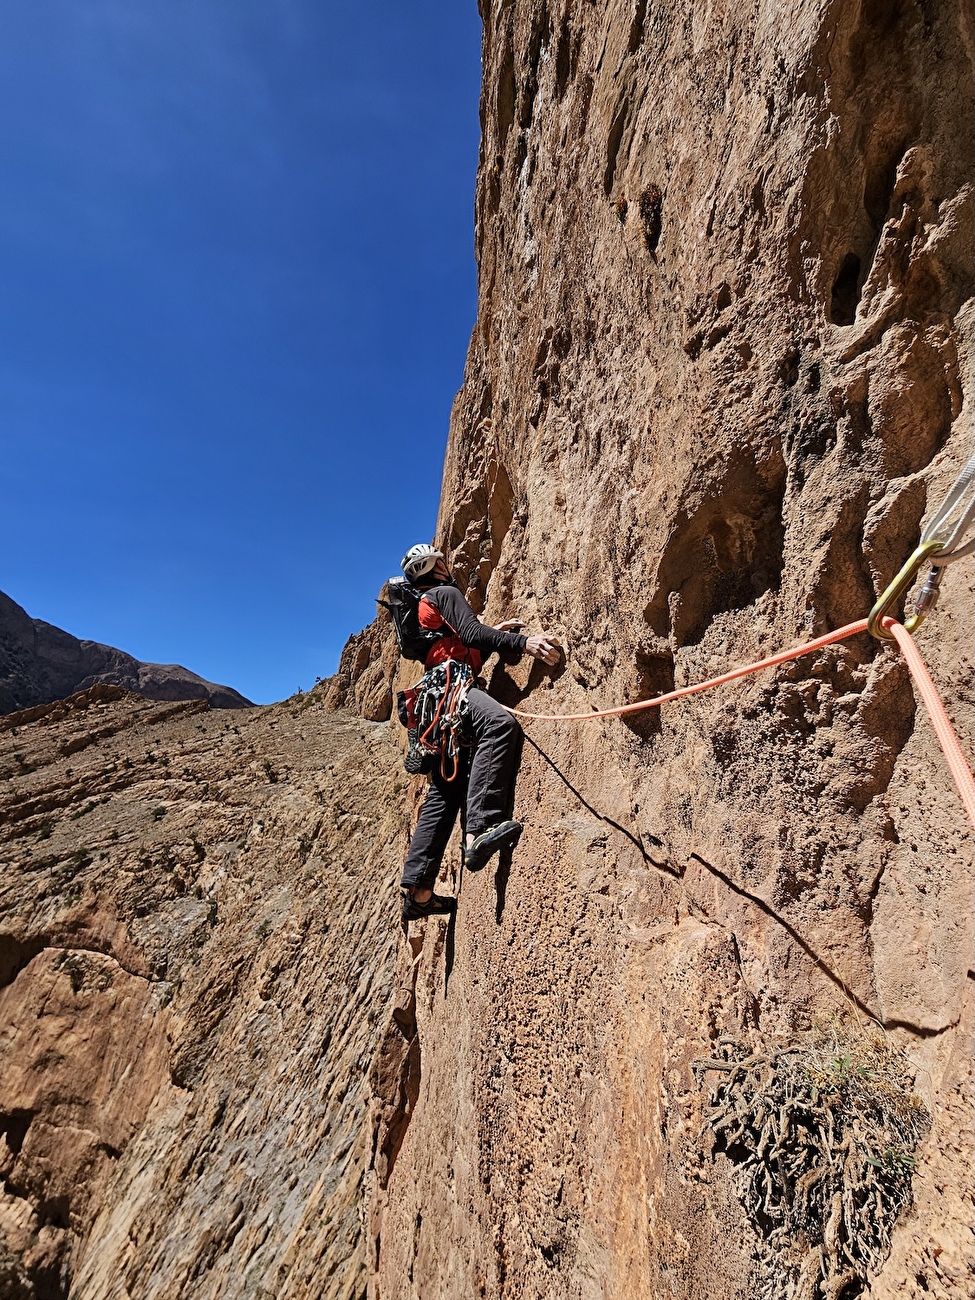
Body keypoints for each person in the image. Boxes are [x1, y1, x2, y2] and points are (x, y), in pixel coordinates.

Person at [398, 543, 560, 921]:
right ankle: (482, 827)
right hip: (452, 690)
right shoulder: (444, 592)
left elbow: (458, 644)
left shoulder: (421, 608)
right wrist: (523, 642)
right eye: (443, 561)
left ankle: (419, 891)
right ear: (436, 566)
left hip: (432, 705)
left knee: (445, 789)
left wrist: (490, 636)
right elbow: (470, 633)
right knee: (499, 724)